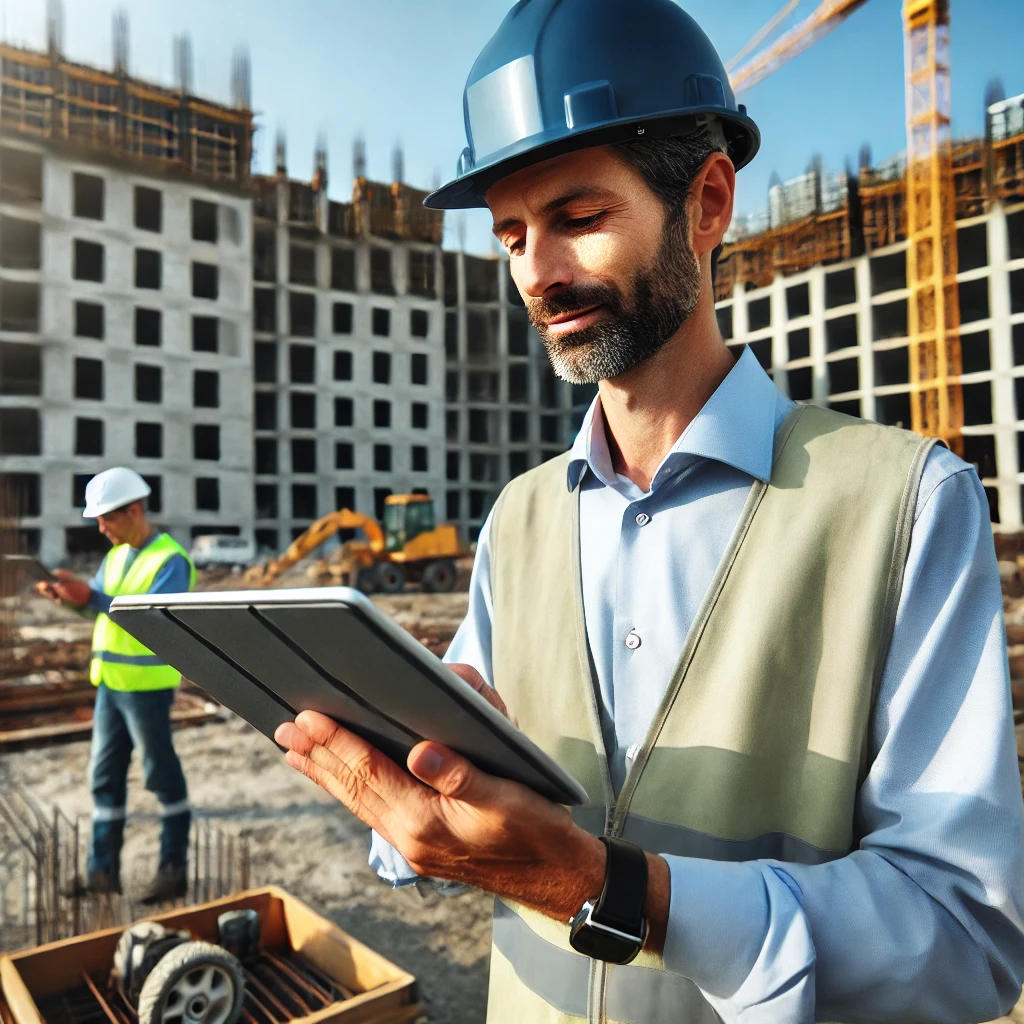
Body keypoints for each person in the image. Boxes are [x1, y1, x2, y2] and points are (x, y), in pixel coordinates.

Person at [274, 1, 1024, 1020]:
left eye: (577, 219)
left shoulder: (905, 505)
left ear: (707, 202)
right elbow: (448, 824)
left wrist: (615, 890)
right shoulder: (519, 517)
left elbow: (966, 939)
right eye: (509, 235)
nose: (536, 272)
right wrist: (414, 794)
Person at [38, 467, 196, 904]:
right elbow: (102, 611)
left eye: (106, 518)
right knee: (103, 778)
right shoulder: (116, 557)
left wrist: (89, 598)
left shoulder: (170, 561)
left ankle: (173, 869)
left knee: (160, 775)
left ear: (134, 509)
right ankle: (101, 872)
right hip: (111, 685)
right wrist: (70, 599)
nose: (100, 527)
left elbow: (152, 623)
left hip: (146, 688)